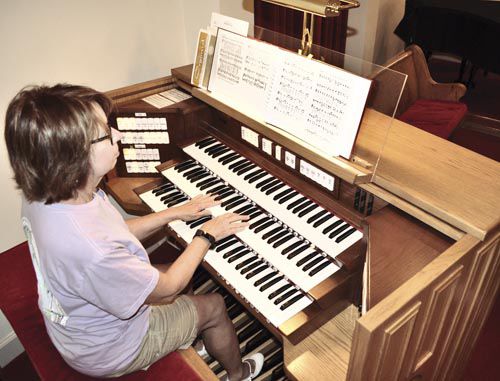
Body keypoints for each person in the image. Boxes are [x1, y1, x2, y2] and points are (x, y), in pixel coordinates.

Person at [4, 84, 264, 380]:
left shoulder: (44, 191)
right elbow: (168, 287)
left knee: (184, 274)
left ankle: (195, 338)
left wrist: (175, 211)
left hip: (77, 324)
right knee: (214, 305)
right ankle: (239, 373)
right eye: (106, 133)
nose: (119, 136)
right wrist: (206, 235)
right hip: (111, 349)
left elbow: (113, 233)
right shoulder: (91, 248)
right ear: (74, 155)